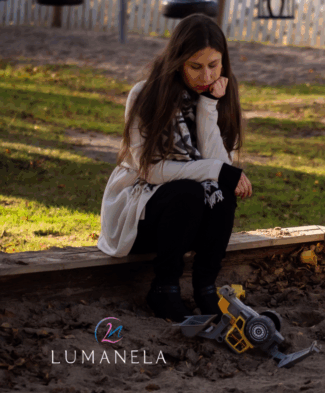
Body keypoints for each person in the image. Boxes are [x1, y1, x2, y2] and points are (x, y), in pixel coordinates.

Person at [97, 14, 252, 322]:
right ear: (177, 60)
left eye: (214, 64)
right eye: (195, 66)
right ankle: (164, 288)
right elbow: (151, 172)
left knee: (218, 189)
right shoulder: (146, 95)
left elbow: (219, 168)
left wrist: (208, 106)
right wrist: (217, 171)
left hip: (189, 226)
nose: (205, 75)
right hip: (139, 216)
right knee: (189, 192)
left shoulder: (219, 94)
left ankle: (205, 287)